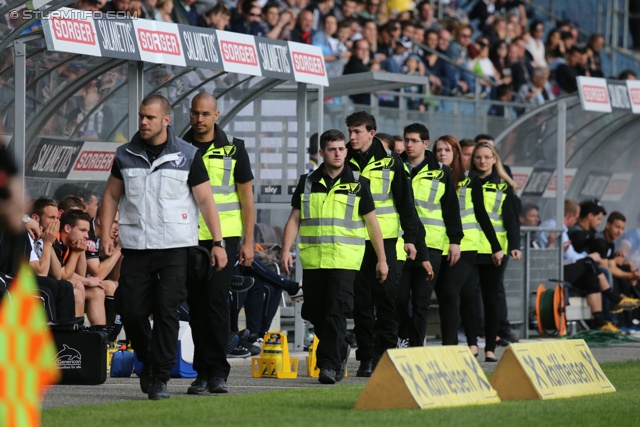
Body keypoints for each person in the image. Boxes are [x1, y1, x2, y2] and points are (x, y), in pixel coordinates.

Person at [100, 94, 227, 400]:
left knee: (167, 312)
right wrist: (105, 233)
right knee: (130, 311)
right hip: (137, 248)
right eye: (142, 116)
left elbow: (206, 200)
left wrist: (218, 242)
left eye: (150, 117)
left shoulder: (187, 155)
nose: (143, 122)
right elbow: (110, 196)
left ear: (166, 120)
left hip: (175, 248)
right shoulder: (125, 154)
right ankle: (147, 360)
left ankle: (159, 378)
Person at [281, 129, 388, 384]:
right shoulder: (306, 182)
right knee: (314, 312)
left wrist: (382, 259)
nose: (338, 153)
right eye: (332, 149)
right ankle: (340, 351)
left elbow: (372, 224)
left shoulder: (359, 183)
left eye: (342, 149)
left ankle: (328, 365)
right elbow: (295, 218)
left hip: (345, 261)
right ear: (322, 153)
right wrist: (286, 249)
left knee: (335, 312)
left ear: (346, 151)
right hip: (314, 260)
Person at [182, 92, 254, 395]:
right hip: (186, 236)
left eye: (206, 114)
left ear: (217, 115)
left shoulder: (234, 149)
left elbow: (247, 198)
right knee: (196, 307)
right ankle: (202, 372)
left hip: (224, 239)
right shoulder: (179, 149)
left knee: (214, 302)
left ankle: (216, 372)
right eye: (196, 114)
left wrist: (248, 241)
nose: (200, 119)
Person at [344, 111, 419, 377]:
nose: (351, 137)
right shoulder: (344, 160)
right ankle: (365, 358)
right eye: (350, 132)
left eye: (357, 132)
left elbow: (405, 203)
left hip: (387, 242)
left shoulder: (392, 163)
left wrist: (411, 239)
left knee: (388, 301)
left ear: (371, 133)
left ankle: (384, 356)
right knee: (361, 303)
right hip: (353, 240)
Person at [432, 136, 502, 355]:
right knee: (443, 295)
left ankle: (450, 347)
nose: (442, 154)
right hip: (437, 245)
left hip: (465, 246)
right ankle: (450, 344)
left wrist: (495, 246)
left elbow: (481, 215)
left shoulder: (471, 180)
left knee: (451, 292)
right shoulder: (432, 177)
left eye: (447, 150)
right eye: (438, 150)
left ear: (456, 153)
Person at [397, 125, 459, 348]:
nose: (409, 145)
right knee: (400, 298)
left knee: (421, 302)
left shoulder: (442, 172)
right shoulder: (396, 166)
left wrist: (455, 242)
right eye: (406, 140)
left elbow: (451, 210)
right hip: (401, 242)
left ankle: (415, 347)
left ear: (425, 143)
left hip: (431, 245)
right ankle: (405, 334)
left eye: (414, 140)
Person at [469, 142, 522, 362]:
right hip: (470, 247)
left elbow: (511, 220)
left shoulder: (503, 186)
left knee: (492, 299)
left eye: (487, 157)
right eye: (478, 157)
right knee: (470, 297)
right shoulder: (465, 183)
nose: (482, 161)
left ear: (494, 159)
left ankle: (490, 348)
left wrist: (514, 246)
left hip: (494, 251)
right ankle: (472, 343)